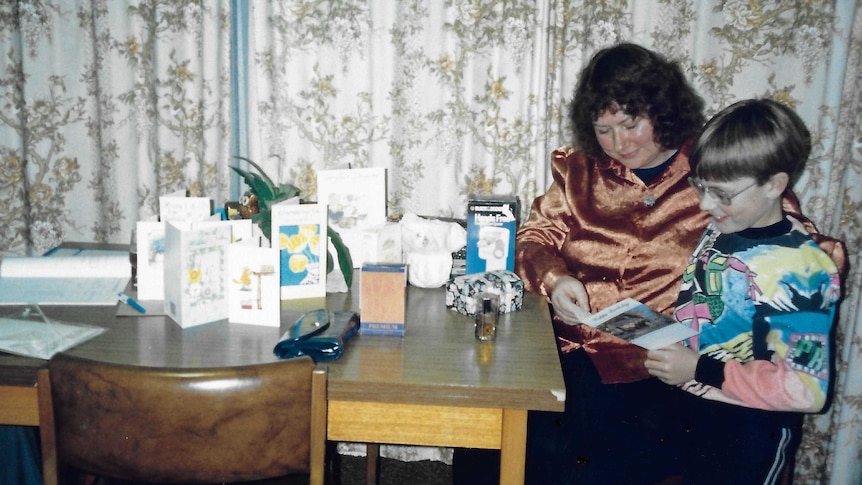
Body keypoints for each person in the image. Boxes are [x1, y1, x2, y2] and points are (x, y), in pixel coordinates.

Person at [503, 43, 839, 485]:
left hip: (656, 369)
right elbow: (534, 236)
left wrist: (823, 261)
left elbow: (789, 241)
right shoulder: (579, 168)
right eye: (604, 130)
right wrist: (555, 277)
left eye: (630, 124)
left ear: (661, 112)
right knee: (499, 446)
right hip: (569, 350)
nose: (619, 143)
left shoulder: (714, 169)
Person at [644, 99, 844, 485]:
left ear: (775, 185)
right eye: (700, 186)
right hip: (697, 408)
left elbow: (807, 389)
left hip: (752, 429)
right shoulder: (724, 228)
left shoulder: (801, 273)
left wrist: (698, 368)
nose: (704, 203)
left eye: (721, 192)